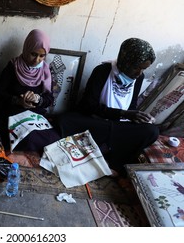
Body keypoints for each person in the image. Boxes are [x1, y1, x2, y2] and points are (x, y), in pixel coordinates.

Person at [56, 37, 159, 176]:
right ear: (125, 60)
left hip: (118, 127)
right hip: (96, 122)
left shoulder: (138, 78)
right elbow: (88, 106)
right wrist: (124, 114)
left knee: (152, 131)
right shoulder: (102, 71)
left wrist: (138, 118)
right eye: (136, 67)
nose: (139, 73)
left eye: (143, 69)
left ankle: (106, 155)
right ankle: (111, 155)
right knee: (64, 120)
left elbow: (131, 106)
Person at [0, 29, 60, 152]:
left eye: (42, 56)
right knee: (29, 138)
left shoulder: (46, 70)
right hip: (13, 113)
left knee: (53, 138)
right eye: (33, 54)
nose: (37, 60)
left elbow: (49, 99)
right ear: (26, 49)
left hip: (35, 115)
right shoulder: (12, 67)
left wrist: (38, 99)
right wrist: (18, 101)